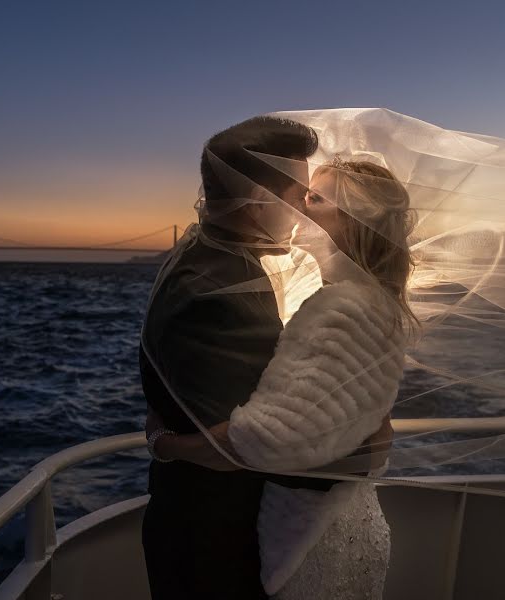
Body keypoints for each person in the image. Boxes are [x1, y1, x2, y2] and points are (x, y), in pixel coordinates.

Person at [139, 117, 394, 600]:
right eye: (298, 194)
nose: (303, 209)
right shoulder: (218, 295)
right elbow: (254, 444)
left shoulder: (205, 247)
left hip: (220, 527)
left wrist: (163, 441)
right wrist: (372, 436)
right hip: (216, 545)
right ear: (259, 201)